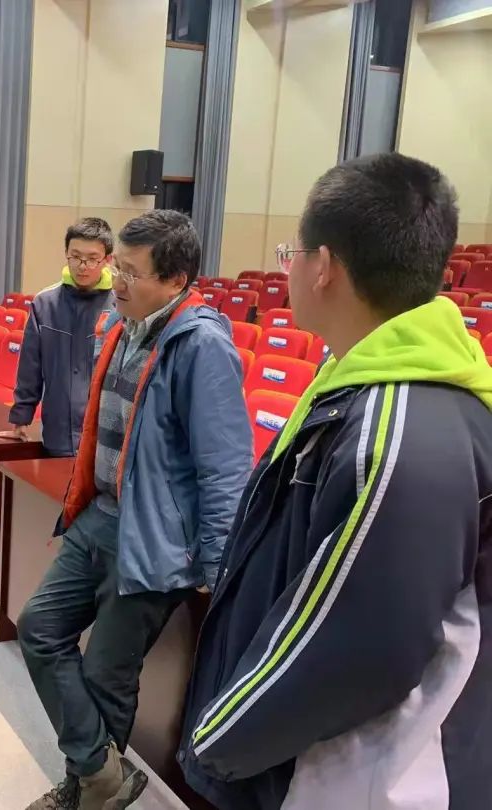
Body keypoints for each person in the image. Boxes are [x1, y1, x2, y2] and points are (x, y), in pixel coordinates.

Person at [180, 155, 492, 810]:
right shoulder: (360, 384)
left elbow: (359, 648)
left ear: (323, 266)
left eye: (291, 253)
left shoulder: (399, 430)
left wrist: (217, 740)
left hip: (357, 776)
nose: (288, 269)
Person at [18, 210, 252, 810]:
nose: (115, 281)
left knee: (107, 675)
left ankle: (87, 790)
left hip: (153, 535)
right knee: (39, 629)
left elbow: (225, 466)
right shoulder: (121, 326)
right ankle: (103, 776)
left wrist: (216, 564)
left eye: (130, 272)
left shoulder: (202, 347)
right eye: (115, 267)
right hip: (99, 514)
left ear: (175, 280)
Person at [3, 217, 116, 456]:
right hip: (58, 432)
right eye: (75, 256)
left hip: (104, 438)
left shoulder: (121, 307)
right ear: (66, 254)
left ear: (108, 259)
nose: (83, 266)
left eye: (92, 259)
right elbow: (30, 366)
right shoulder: (45, 304)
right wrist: (21, 417)